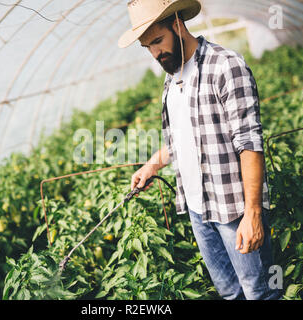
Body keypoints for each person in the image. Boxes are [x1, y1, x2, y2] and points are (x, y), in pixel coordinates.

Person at [118, 0, 282, 300]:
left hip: (233, 208)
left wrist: (253, 213)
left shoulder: (225, 65)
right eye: (148, 47)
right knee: (230, 292)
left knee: (259, 291)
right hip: (197, 208)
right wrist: (152, 165)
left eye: (158, 41)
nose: (156, 53)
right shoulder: (172, 77)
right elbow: (182, 138)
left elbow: (249, 142)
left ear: (178, 24)